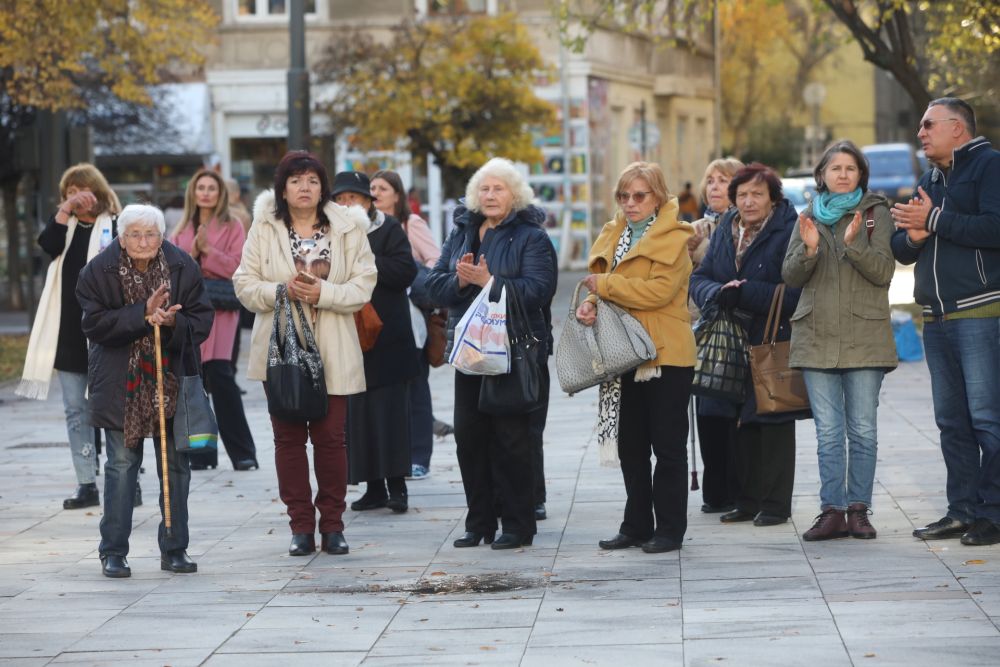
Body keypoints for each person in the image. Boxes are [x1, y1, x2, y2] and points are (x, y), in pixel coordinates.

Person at [233, 151, 376, 557]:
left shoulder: (348, 227)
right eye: (295, 180)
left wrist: (324, 293)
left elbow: (365, 284)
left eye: (312, 180)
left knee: (331, 440)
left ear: (323, 186)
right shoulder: (264, 227)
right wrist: (283, 291)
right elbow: (244, 284)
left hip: (334, 344)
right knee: (289, 440)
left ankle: (332, 525)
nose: (304, 188)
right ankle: (300, 526)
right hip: (282, 347)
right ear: (282, 187)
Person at [76, 204, 214, 578]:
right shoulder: (97, 271)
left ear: (161, 235)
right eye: (134, 234)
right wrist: (141, 315)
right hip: (123, 385)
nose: (142, 241)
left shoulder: (182, 265)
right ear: (121, 237)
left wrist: (171, 322)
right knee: (121, 467)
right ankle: (114, 551)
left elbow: (202, 318)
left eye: (150, 234)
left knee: (176, 468)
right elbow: (94, 324)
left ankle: (174, 547)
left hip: (171, 380)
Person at [426, 157, 557, 550]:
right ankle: (478, 522)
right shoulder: (463, 233)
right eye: (484, 188)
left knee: (512, 440)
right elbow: (432, 285)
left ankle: (517, 525)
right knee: (469, 438)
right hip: (470, 352)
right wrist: (462, 283)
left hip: (513, 352)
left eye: (498, 188)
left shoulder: (531, 237)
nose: (490, 195)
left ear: (514, 194)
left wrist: (490, 282)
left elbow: (539, 291)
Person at [891, 98, 1000, 546]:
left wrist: (933, 219)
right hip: (935, 318)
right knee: (951, 421)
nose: (921, 133)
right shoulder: (930, 177)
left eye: (928, 125)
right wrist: (914, 236)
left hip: (979, 312)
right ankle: (962, 511)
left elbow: (994, 228)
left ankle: (992, 514)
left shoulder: (989, 166)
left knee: (986, 420)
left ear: (958, 128)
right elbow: (903, 248)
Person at [576, 162, 695, 554]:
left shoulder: (675, 238)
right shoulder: (616, 235)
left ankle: (670, 529)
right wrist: (590, 304)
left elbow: (658, 291)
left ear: (658, 196)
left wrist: (604, 286)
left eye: (639, 195)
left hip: (666, 354)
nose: (630, 203)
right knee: (631, 446)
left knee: (668, 446)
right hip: (622, 352)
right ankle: (637, 524)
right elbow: (604, 285)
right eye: (624, 196)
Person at [783, 140, 897, 541]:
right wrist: (810, 250)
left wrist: (854, 245)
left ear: (861, 175)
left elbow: (884, 272)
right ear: (822, 176)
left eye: (851, 168)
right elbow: (791, 276)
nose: (843, 174)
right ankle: (831, 510)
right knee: (828, 432)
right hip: (816, 336)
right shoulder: (808, 214)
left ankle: (858, 510)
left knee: (863, 429)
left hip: (865, 335)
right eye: (836, 168)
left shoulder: (874, 214)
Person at [690, 163, 806, 527]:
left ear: (773, 197)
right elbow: (701, 277)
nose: (749, 201)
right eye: (742, 195)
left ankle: (774, 504)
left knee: (773, 416)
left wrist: (746, 293)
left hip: (772, 334)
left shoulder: (789, 229)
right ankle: (746, 499)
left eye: (757, 194)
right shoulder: (727, 227)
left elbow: (798, 290)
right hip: (730, 336)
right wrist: (717, 293)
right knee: (739, 418)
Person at [18, 163, 122, 510]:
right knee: (76, 411)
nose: (76, 197)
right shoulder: (65, 227)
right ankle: (86, 481)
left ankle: (125, 480)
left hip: (107, 334)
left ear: (97, 190)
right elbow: (47, 244)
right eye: (69, 192)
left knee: (114, 410)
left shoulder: (118, 225)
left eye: (81, 189)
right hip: (68, 332)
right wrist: (63, 210)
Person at [333, 170, 420, 514]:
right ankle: (371, 486)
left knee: (391, 415)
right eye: (340, 200)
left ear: (368, 202)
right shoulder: (331, 235)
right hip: (349, 337)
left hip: (388, 337)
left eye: (353, 198)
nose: (346, 205)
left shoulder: (388, 229)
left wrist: (364, 260)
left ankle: (397, 486)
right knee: (360, 415)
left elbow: (405, 272)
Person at [171, 169, 257, 471]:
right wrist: (192, 252)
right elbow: (171, 270)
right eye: (201, 187)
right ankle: (202, 453)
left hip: (222, 310)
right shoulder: (181, 228)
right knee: (195, 382)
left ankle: (244, 452)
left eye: (212, 188)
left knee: (221, 377)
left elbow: (238, 266)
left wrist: (208, 252)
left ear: (220, 193)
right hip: (190, 312)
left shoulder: (233, 225)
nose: (206, 193)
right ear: (193, 192)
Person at [370, 169, 439, 481]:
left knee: (415, 386)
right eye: (371, 188)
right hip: (373, 317)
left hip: (410, 317)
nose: (375, 193)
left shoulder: (411, 224)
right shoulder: (364, 227)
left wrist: (409, 277)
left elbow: (437, 262)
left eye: (382, 188)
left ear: (396, 195)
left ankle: (419, 456)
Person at [688, 158, 744, 514]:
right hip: (702, 329)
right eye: (710, 180)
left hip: (740, 329)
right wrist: (687, 253)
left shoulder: (745, 225)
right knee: (707, 407)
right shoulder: (695, 228)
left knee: (734, 411)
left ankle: (739, 488)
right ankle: (715, 490)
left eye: (723, 180)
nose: (714, 187)